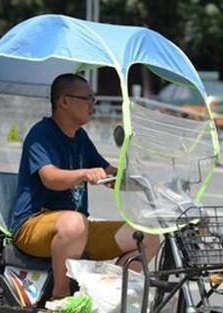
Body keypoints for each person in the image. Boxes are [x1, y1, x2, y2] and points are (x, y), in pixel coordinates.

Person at [11, 73, 160, 300]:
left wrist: (146, 184)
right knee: (74, 223)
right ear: (64, 101)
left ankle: (106, 297)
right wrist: (84, 173)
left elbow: (109, 175)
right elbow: (50, 177)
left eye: (93, 99)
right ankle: (60, 296)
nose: (93, 105)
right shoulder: (41, 134)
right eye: (88, 99)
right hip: (33, 224)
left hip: (77, 229)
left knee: (147, 237)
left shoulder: (80, 137)